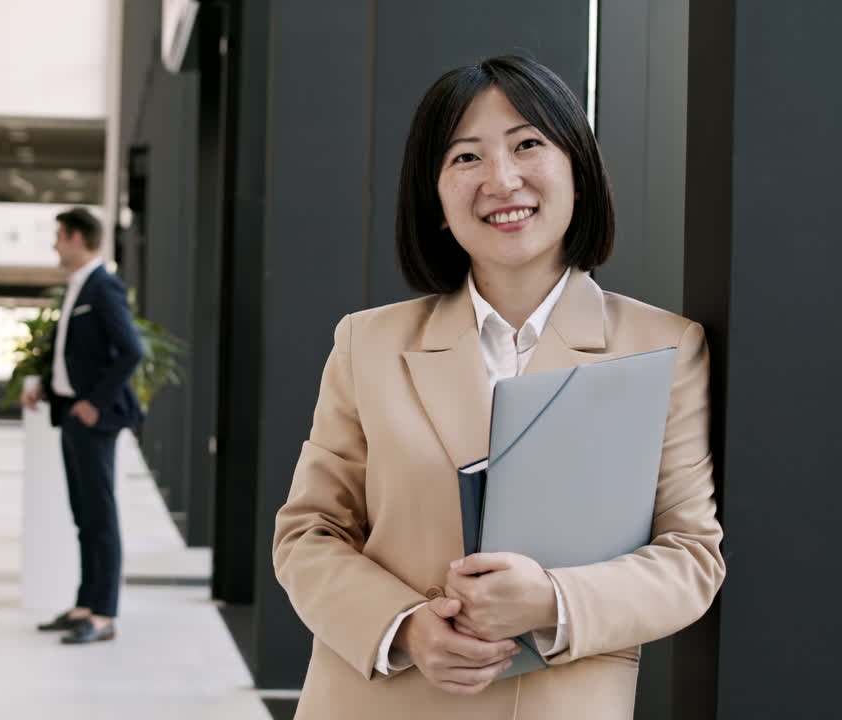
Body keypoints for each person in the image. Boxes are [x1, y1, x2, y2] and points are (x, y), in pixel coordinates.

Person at [271, 56, 725, 718]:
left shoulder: (665, 348)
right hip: (379, 701)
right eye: (465, 158)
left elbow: (690, 557)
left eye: (528, 145)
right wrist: (405, 626)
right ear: (434, 194)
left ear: (579, 170)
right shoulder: (366, 344)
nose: (500, 180)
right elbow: (308, 533)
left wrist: (553, 600)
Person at [21, 208, 144, 645]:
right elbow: (71, 354)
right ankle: (85, 604)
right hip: (71, 414)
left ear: (77, 237)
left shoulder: (103, 286)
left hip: (93, 418)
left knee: (100, 517)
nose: (55, 245)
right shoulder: (79, 286)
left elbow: (131, 351)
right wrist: (45, 389)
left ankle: (103, 614)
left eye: (58, 236)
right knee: (85, 516)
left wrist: (94, 403)